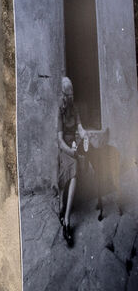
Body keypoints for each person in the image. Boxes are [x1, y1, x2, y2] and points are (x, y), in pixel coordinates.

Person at [58, 76, 87, 246]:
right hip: (64, 149)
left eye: (72, 95)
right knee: (72, 165)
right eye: (68, 95)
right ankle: (65, 212)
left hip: (73, 147)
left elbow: (80, 127)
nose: (70, 98)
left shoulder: (75, 109)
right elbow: (60, 140)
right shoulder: (60, 111)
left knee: (75, 170)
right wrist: (70, 150)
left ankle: (67, 220)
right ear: (63, 95)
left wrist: (84, 134)